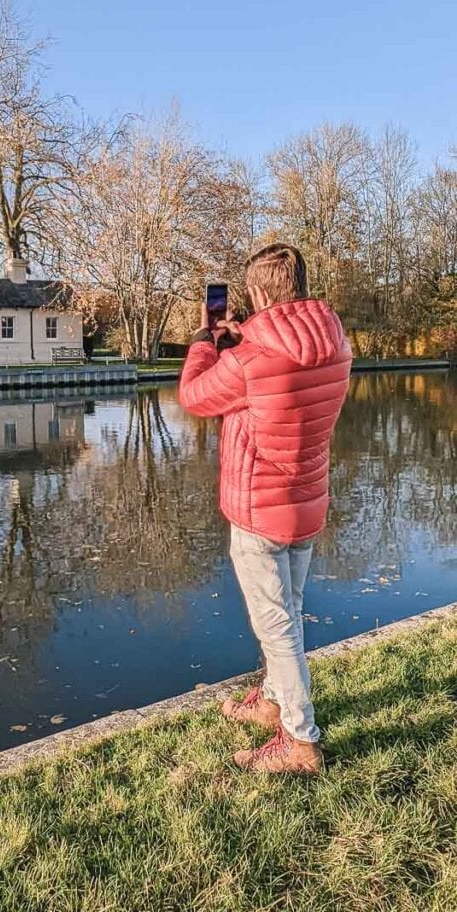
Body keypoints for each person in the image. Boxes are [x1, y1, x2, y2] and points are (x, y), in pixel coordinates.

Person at [179, 243, 351, 774]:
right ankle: (273, 702)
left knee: (276, 628)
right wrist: (243, 340)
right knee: (288, 615)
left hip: (259, 510)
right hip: (306, 500)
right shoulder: (335, 340)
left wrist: (208, 343)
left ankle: (300, 743)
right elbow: (279, 366)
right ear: (298, 285)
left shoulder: (251, 359)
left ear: (255, 294)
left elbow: (194, 397)